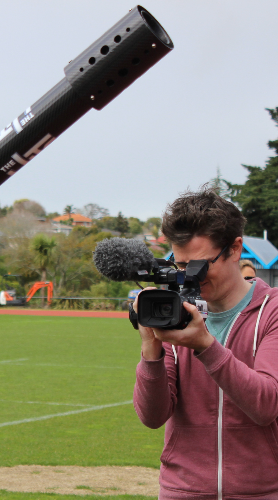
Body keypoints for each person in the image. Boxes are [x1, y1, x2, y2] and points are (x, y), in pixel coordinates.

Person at [132, 186, 278, 499]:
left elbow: (266, 405)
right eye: (180, 266)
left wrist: (205, 346)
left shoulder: (273, 312)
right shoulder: (175, 312)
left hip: (262, 490)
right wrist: (151, 348)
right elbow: (152, 416)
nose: (188, 279)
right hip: (183, 490)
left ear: (235, 248)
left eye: (199, 266)